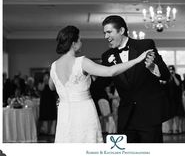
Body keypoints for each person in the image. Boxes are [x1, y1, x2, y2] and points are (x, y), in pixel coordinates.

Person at [48, 25, 153, 143]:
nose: (81, 43)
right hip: (83, 110)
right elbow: (110, 71)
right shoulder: (81, 62)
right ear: (73, 43)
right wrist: (137, 60)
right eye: (80, 40)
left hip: (64, 111)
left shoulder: (54, 65)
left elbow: (52, 86)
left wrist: (64, 95)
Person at [94, 15, 170, 143]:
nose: (105, 36)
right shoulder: (107, 56)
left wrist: (153, 67)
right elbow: (101, 83)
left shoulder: (145, 45)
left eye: (109, 32)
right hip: (126, 118)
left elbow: (166, 75)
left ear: (121, 31)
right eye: (104, 33)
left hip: (149, 115)